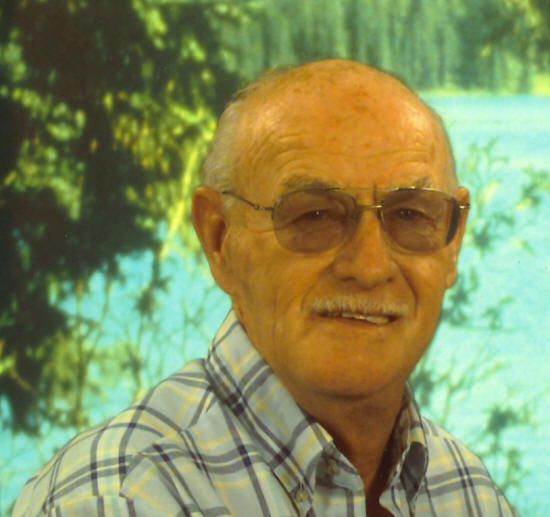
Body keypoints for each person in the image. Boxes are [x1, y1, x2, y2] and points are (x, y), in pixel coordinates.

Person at [13, 59, 517, 516]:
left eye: (409, 215)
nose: (369, 266)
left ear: (452, 244)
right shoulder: (117, 501)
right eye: (314, 215)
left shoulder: (467, 493)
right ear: (219, 239)